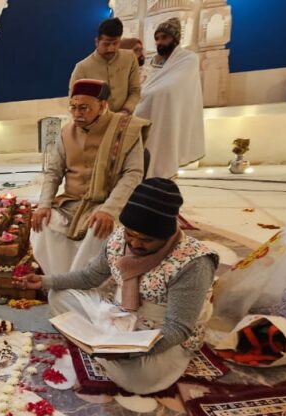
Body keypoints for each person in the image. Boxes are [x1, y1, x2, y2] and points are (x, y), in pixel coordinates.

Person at [17, 178, 217, 396]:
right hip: (120, 312)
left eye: (146, 240)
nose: (135, 244)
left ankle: (101, 350)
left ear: (166, 234)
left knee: (141, 380)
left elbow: (178, 329)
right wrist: (46, 281)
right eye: (131, 234)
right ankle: (105, 349)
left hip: (159, 334)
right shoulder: (119, 238)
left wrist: (131, 352)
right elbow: (89, 277)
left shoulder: (193, 263)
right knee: (58, 296)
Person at [30, 79, 148, 277]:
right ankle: (59, 279)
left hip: (107, 203)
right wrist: (44, 204)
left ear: (102, 106)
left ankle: (86, 284)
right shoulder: (66, 132)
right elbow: (53, 172)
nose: (77, 114)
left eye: (84, 108)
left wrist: (109, 210)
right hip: (71, 204)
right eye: (73, 108)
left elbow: (133, 174)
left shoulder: (126, 131)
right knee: (43, 225)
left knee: (98, 230)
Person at [135, 18, 205, 179]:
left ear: (175, 39)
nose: (159, 42)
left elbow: (171, 87)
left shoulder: (188, 59)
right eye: (157, 38)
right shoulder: (152, 63)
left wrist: (148, 93)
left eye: (164, 37)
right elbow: (146, 85)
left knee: (163, 160)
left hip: (170, 116)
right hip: (149, 112)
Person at [69, 18, 141, 114]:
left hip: (126, 118)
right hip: (95, 124)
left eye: (115, 43)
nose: (111, 48)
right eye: (106, 44)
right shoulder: (82, 68)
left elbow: (135, 91)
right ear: (96, 42)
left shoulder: (130, 58)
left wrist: (125, 111)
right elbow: (74, 101)